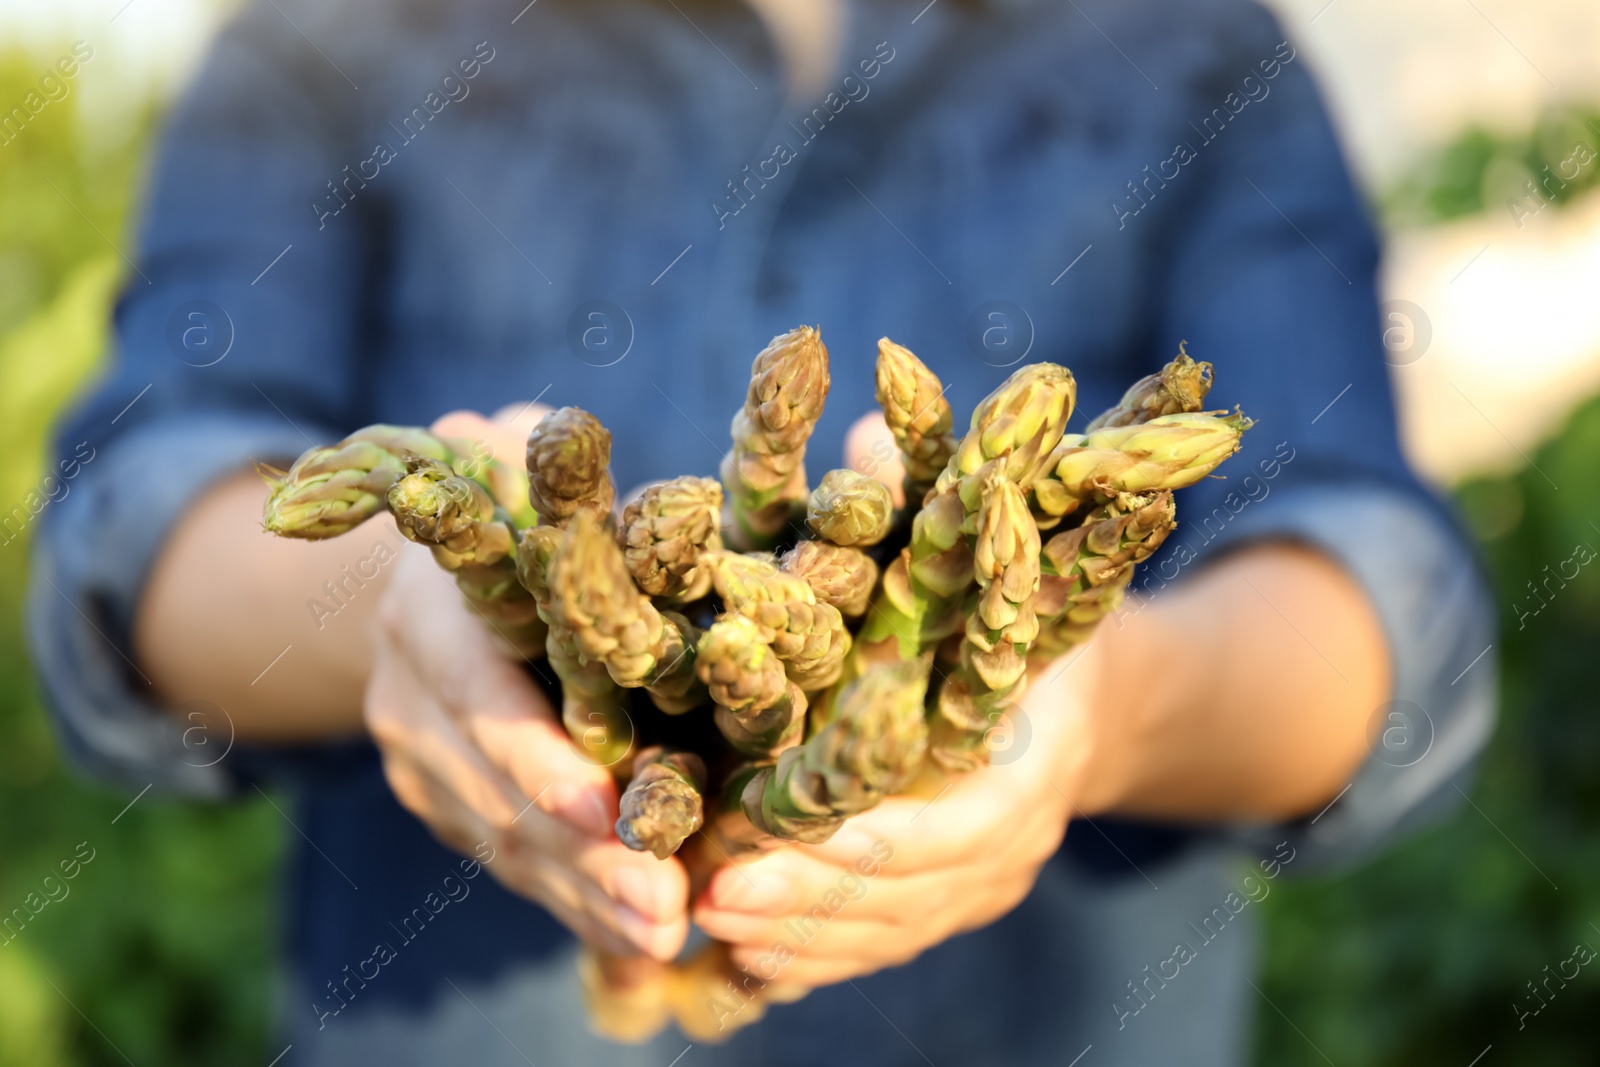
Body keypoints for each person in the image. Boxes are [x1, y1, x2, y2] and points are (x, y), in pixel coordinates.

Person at [30, 0, 1495, 1062]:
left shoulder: (1195, 53)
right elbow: (133, 533)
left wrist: (1104, 706)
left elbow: (1379, 613)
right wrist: (419, 596)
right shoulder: (332, 41)